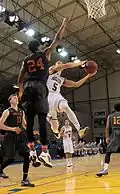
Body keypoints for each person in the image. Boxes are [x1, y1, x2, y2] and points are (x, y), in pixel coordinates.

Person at [17, 18, 68, 167]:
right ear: (39, 47)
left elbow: (20, 79)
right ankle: (45, 152)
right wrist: (63, 24)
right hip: (40, 87)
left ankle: (32, 151)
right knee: (42, 120)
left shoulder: (25, 61)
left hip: (27, 88)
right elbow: (57, 39)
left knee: (30, 122)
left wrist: (21, 93)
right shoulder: (45, 54)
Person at [47, 61, 96, 139]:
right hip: (47, 97)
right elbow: (66, 65)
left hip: (57, 95)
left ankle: (79, 129)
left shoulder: (62, 79)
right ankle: (56, 132)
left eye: (61, 63)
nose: (60, 63)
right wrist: (81, 63)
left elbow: (76, 84)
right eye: (58, 63)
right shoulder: (51, 70)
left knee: (65, 106)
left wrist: (88, 76)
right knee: (55, 126)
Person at [0, 94, 34, 187]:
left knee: (26, 155)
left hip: (20, 136)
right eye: (13, 97)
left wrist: (31, 130)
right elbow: (0, 125)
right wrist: (12, 129)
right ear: (10, 101)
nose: (16, 98)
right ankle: (0, 169)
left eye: (16, 97)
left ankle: (24, 180)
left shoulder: (21, 111)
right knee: (10, 158)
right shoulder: (7, 111)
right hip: (10, 136)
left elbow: (24, 124)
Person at [96, 103, 120, 177]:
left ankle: (105, 169)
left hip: (115, 135)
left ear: (115, 109)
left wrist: (107, 137)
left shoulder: (110, 116)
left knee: (108, 152)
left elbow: (107, 127)